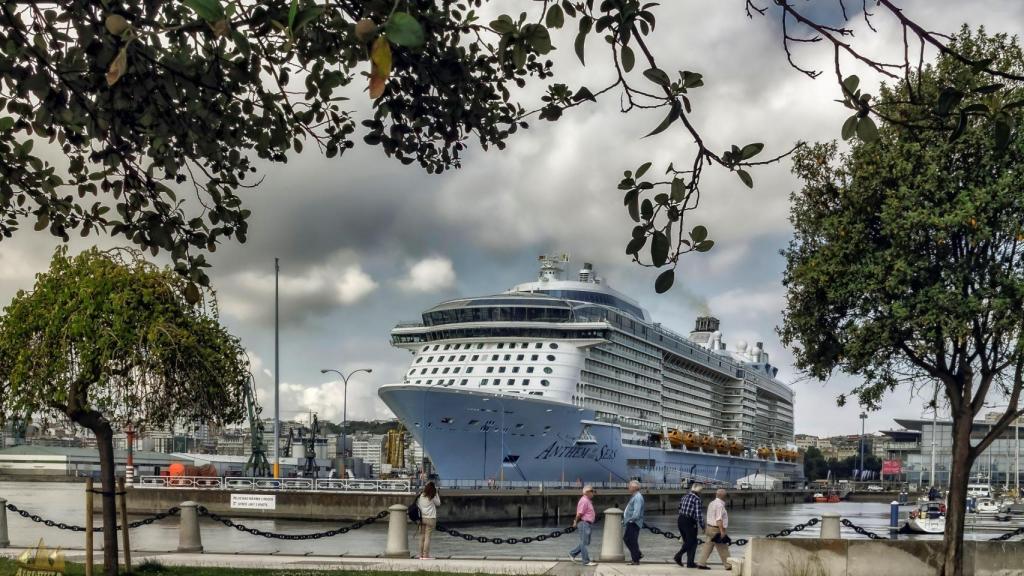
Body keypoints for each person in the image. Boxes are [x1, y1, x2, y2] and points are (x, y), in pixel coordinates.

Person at [698, 488, 731, 571]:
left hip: (709, 527)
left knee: (707, 546)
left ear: (716, 495)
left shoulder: (711, 503)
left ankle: (701, 563)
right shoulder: (720, 505)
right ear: (724, 496)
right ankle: (728, 565)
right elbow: (719, 519)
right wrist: (722, 531)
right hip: (716, 529)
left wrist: (705, 527)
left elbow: (708, 516)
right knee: (723, 547)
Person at [673, 482, 704, 568]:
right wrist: (703, 526)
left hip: (681, 519)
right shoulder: (697, 499)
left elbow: (679, 508)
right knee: (692, 542)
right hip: (690, 522)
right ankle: (678, 556)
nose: (701, 492)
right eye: (701, 490)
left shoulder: (684, 497)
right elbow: (698, 515)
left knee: (688, 541)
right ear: (698, 491)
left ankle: (690, 563)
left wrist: (683, 515)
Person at [569, 485, 597, 566]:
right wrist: (575, 522)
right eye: (592, 491)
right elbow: (579, 513)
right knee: (584, 542)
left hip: (587, 523)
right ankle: (586, 561)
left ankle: (572, 554)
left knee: (585, 542)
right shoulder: (584, 500)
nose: (593, 493)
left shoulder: (587, 500)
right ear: (587, 492)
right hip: (584, 523)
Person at [622, 480, 645, 565]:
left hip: (634, 522)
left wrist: (629, 520)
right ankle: (637, 555)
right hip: (632, 522)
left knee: (631, 540)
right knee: (629, 539)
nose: (628, 488)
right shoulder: (635, 496)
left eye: (630, 486)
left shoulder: (638, 497)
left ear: (634, 488)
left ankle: (635, 559)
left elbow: (636, 513)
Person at [416, 481, 440, 559]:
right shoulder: (432, 496)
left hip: (422, 518)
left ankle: (420, 555)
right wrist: (436, 494)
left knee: (421, 537)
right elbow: (438, 503)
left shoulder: (421, 495)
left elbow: (418, 505)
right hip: (430, 518)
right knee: (427, 537)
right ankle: (426, 555)